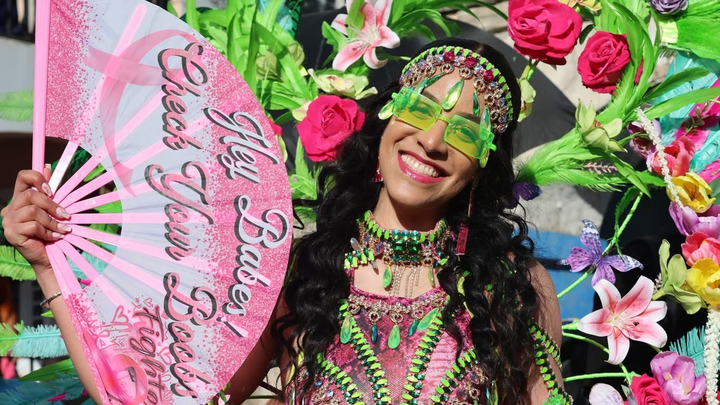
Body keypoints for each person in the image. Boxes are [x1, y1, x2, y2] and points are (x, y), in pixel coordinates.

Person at [2, 38, 567, 405]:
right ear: (388, 118)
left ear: (481, 166)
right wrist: (50, 267)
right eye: (420, 108)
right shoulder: (299, 273)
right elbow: (160, 399)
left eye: (466, 130)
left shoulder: (514, 288)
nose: (433, 140)